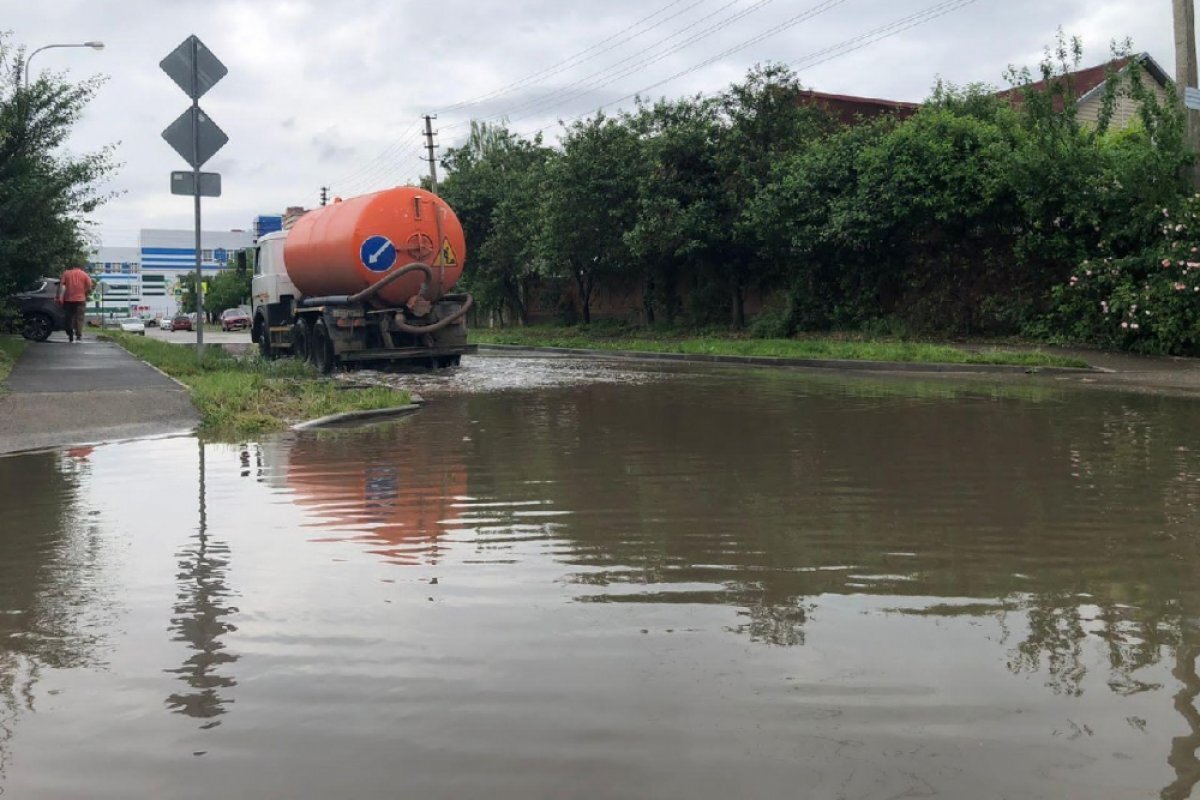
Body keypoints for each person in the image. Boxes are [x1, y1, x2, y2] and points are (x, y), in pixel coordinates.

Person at [57, 264, 93, 343]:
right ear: (80, 267)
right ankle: (78, 335)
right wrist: (84, 293)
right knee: (79, 318)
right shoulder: (84, 274)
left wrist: (60, 297)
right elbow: (89, 286)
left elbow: (62, 286)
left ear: (72, 267)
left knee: (69, 317)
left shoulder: (66, 273)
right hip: (80, 299)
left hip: (68, 299)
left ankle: (70, 333)